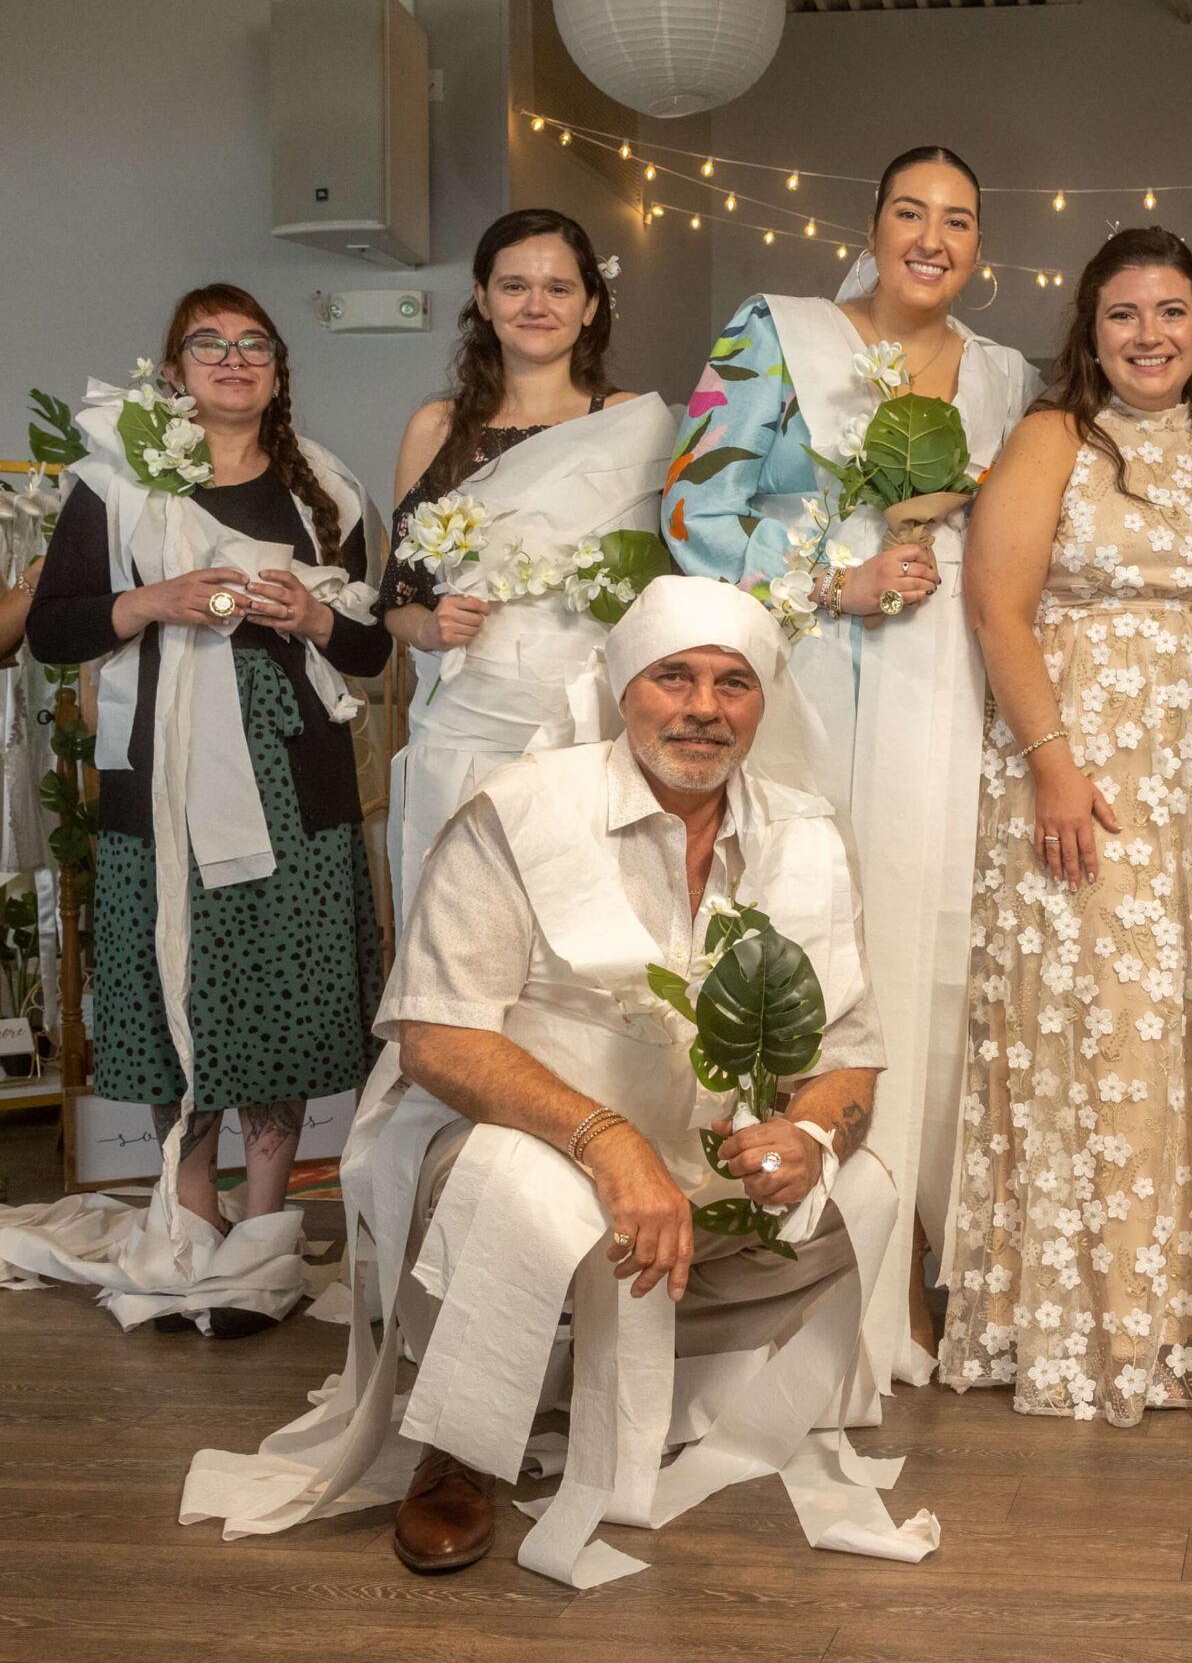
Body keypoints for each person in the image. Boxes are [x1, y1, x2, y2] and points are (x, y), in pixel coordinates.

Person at [181, 577, 941, 1582]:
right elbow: (440, 1042)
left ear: (762, 704)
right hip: (519, 1130)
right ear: (625, 688)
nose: (704, 707)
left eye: (733, 683)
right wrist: (607, 1141)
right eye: (674, 677)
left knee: (868, 1190)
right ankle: (462, 1444)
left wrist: (809, 1134)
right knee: (522, 1189)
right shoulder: (522, 810)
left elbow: (846, 1049)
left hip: (699, 1145)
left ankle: (634, 1375)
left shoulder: (805, 832)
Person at [939, 226, 1192, 1426]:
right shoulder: (1053, 440)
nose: (1147, 336)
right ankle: (1091, 1317)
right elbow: (997, 609)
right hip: (1084, 770)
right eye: (1122, 316)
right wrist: (1053, 765)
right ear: (1088, 333)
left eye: (1168, 313)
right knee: (1102, 1025)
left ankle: (1189, 1313)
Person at [663, 145, 1029, 1386]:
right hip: (810, 681)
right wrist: (837, 578)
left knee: (936, 965)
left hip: (946, 700)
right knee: (809, 949)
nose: (933, 237)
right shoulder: (779, 331)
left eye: (959, 221)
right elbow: (688, 510)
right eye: (911, 214)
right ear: (871, 226)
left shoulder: (1004, 376)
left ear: (980, 243)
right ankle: (774, 1258)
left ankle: (912, 1258)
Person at [0, 286, 389, 1337]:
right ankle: (186, 1213)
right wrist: (155, 602)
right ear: (173, 370)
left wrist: (312, 612)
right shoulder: (113, 484)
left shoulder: (327, 491)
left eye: (252, 343)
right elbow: (56, 632)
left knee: (282, 992)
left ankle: (265, 1228)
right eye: (207, 344)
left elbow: (373, 647)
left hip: (295, 775)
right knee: (181, 982)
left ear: (276, 366)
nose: (231, 358)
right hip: (157, 783)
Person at [379, 208, 668, 924]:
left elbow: (670, 582)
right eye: (513, 286)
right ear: (481, 298)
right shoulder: (436, 429)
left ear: (591, 304)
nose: (535, 305)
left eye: (558, 288)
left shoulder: (638, 425)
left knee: (584, 938)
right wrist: (431, 626)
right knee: (461, 927)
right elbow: (397, 597)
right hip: (466, 727)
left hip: (590, 722)